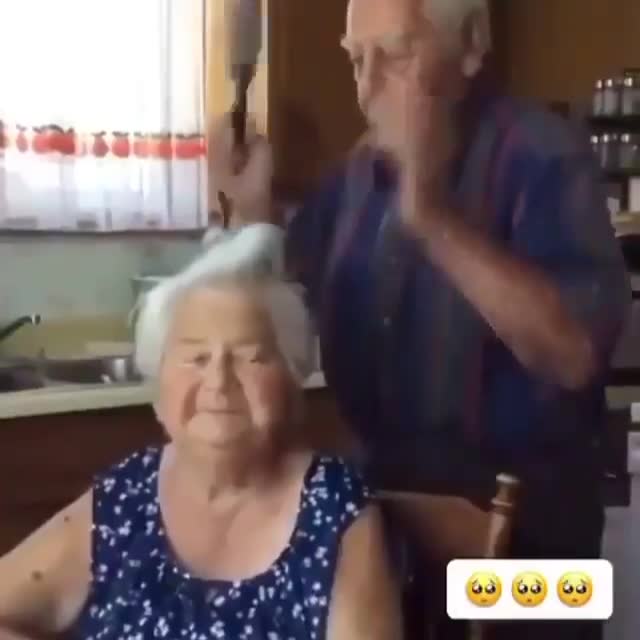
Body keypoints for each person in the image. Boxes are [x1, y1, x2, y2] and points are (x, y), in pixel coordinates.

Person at [208, 0, 631, 637]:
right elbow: (279, 307)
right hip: (389, 526)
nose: (367, 85)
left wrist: (430, 216)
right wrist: (251, 214)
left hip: (540, 549)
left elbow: (574, 354)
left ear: (472, 44)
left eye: (396, 55)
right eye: (356, 60)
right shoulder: (356, 177)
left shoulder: (543, 154)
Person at [0, 225, 403, 640]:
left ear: (291, 381)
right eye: (195, 357)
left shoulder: (334, 509)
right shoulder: (125, 499)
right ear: (159, 388)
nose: (218, 380)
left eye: (249, 357)